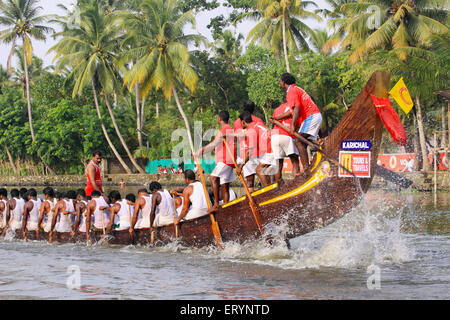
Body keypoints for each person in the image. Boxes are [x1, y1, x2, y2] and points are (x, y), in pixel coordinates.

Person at [278, 73, 323, 174]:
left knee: (298, 141)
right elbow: (293, 112)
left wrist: (292, 125)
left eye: (280, 82)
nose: (279, 84)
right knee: (303, 142)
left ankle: (307, 170)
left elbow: (296, 109)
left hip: (311, 116)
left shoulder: (291, 91)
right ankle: (310, 166)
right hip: (312, 117)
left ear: (283, 82)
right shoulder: (296, 89)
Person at [195, 110, 236, 212]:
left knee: (213, 178)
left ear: (219, 119)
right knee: (225, 186)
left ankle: (216, 204)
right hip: (229, 161)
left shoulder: (225, 129)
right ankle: (227, 208)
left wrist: (200, 151)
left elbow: (214, 144)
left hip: (225, 160)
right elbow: (214, 145)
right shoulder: (229, 129)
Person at [237, 111, 277, 188]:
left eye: (240, 122)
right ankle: (271, 188)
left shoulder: (250, 131)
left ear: (243, 122)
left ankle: (268, 191)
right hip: (274, 145)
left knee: (258, 170)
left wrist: (240, 167)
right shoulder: (258, 124)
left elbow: (250, 152)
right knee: (265, 171)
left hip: (271, 149)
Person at [270, 97, 301, 182]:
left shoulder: (276, 109)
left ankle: (278, 188)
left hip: (275, 136)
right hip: (286, 135)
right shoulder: (292, 106)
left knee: (278, 164)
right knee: (295, 161)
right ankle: (296, 183)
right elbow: (289, 112)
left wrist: (276, 118)